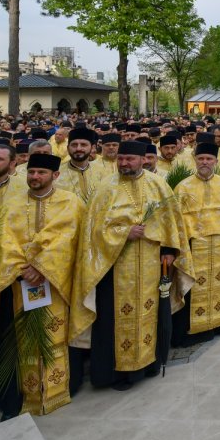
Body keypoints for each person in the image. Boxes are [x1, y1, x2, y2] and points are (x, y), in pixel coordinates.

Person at [69, 141, 192, 391]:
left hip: (151, 265)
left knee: (152, 314)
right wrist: (125, 232)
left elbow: (172, 222)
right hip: (113, 270)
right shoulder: (105, 188)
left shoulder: (158, 184)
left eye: (130, 159)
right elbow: (92, 232)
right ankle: (115, 374)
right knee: (113, 321)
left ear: (142, 160)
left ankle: (149, 365)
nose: (124, 163)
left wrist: (169, 251)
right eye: (121, 159)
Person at [0, 153, 83, 417]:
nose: (35, 177)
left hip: (57, 285)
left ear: (55, 176)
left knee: (55, 333)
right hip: (17, 284)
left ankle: (57, 390)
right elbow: (3, 240)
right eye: (32, 172)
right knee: (17, 339)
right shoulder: (12, 203)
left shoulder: (71, 203)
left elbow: (70, 240)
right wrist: (22, 268)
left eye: (41, 173)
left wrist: (42, 266)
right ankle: (17, 397)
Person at [172, 140, 220, 346]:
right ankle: (196, 331)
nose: (205, 162)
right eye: (201, 158)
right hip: (195, 247)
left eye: (209, 159)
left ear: (215, 161)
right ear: (195, 160)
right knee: (196, 286)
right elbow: (177, 221)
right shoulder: (183, 187)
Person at [55, 127, 108, 203]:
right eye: (74, 145)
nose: (78, 148)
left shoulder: (103, 172)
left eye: (83, 145)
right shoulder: (56, 174)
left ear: (92, 148)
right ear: (68, 148)